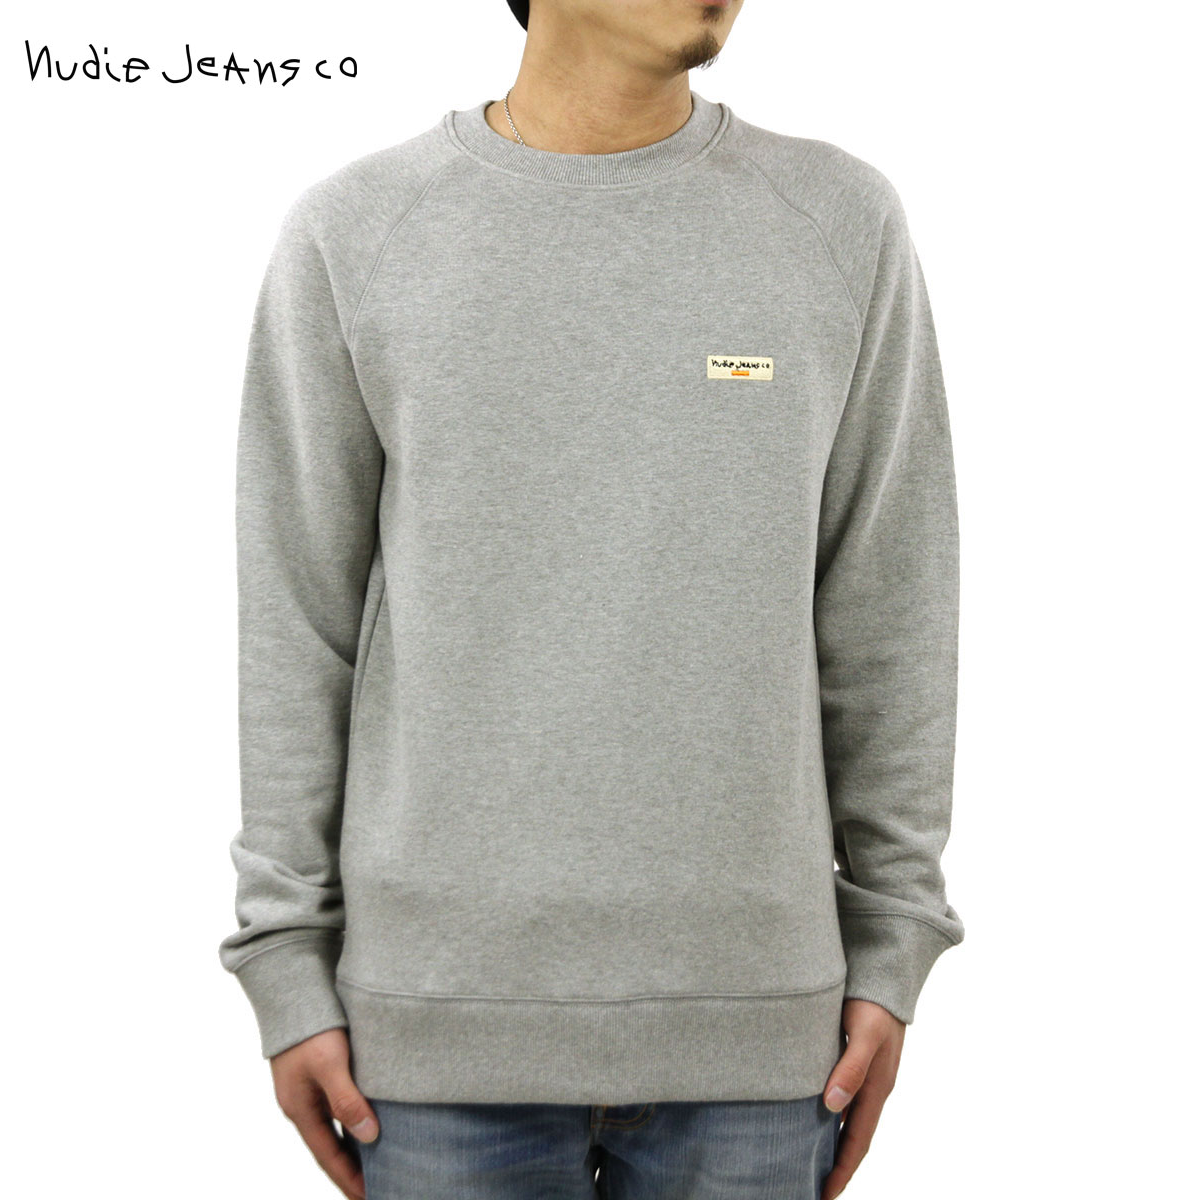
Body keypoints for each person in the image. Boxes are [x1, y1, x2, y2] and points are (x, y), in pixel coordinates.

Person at [217, 2, 966, 1197]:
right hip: (433, 1031)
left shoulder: (836, 222)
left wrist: (893, 946)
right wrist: (284, 962)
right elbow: (294, 627)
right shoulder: (357, 232)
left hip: (763, 1037)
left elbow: (891, 615)